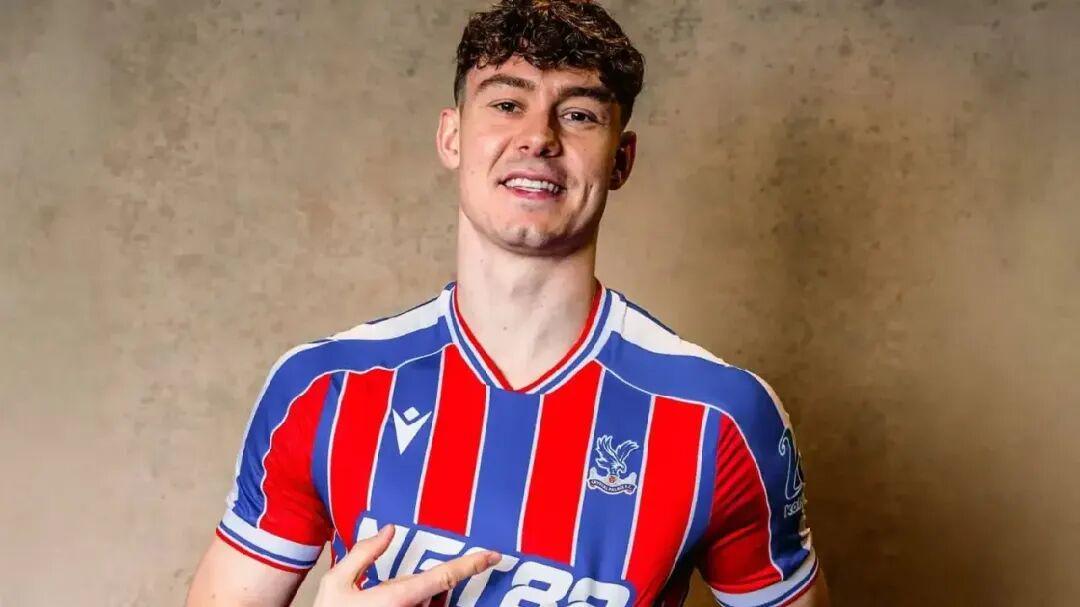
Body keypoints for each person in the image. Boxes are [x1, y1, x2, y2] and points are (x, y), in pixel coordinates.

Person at [186, 1, 830, 605]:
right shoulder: (322, 387)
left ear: (621, 159)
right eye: (506, 104)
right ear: (452, 137)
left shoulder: (722, 416)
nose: (537, 137)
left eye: (579, 114)